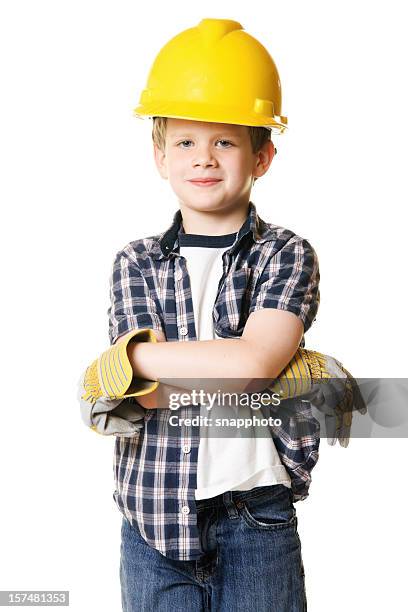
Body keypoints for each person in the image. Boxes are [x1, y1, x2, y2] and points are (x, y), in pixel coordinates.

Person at [81, 18, 325, 611]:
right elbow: (146, 397)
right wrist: (225, 368)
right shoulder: (134, 262)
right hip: (152, 526)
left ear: (262, 154)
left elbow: (252, 366)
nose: (204, 159)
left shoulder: (284, 253)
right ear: (160, 155)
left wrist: (136, 358)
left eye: (225, 142)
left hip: (256, 521)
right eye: (186, 142)